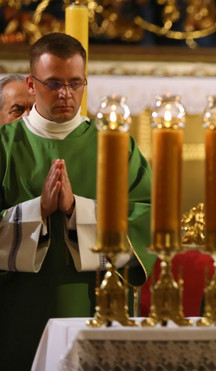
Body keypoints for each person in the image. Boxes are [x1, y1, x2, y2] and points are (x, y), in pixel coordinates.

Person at [0, 33, 157, 370]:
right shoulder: (4, 146)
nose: (66, 94)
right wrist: (36, 210)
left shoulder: (116, 146)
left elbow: (147, 218)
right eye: (53, 83)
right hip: (15, 306)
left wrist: (77, 210)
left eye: (75, 83)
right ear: (31, 84)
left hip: (95, 304)